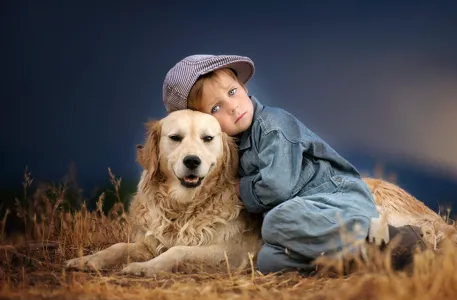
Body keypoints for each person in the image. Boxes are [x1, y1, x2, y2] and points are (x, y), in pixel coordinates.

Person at [161, 54, 426, 275]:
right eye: (216, 108)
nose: (232, 106)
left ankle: (395, 237)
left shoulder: (273, 126)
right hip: (306, 219)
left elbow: (277, 188)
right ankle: (359, 260)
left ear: (245, 89)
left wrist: (244, 189)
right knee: (266, 261)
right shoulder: (234, 147)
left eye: (233, 92)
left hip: (335, 201)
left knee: (275, 223)